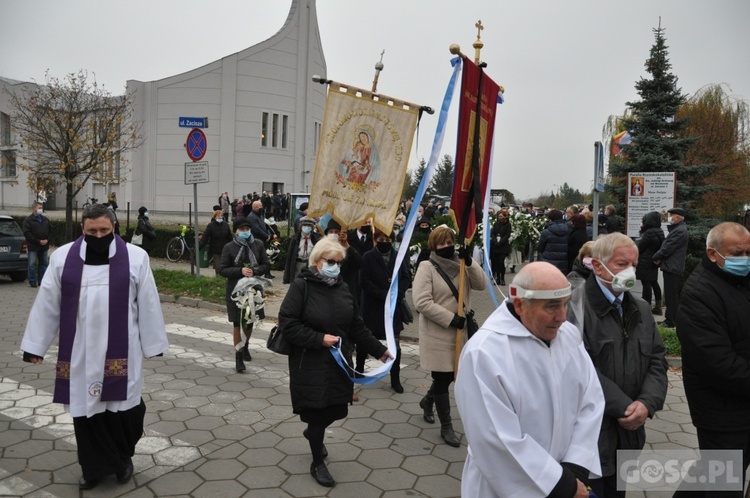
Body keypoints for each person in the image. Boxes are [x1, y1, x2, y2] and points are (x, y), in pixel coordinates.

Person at [20, 204, 168, 490]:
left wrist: (153, 343)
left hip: (123, 353)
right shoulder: (63, 258)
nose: (98, 235)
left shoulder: (136, 258)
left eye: (104, 230)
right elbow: (48, 304)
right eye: (92, 231)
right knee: (87, 412)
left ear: (113, 228)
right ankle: (93, 468)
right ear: (82, 229)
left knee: (126, 411)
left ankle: (122, 458)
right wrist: (35, 346)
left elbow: (148, 303)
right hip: (81, 352)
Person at [455, 262, 604, 498]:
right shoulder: (485, 353)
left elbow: (591, 400)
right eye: (552, 307)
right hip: (508, 487)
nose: (562, 317)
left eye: (566, 304)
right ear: (520, 305)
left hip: (569, 479)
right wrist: (559, 484)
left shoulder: (568, 337)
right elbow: (495, 439)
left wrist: (576, 467)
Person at [279, 238, 393, 487]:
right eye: (330, 262)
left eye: (338, 263)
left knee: (336, 409)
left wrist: (380, 351)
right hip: (309, 362)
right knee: (317, 412)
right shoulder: (301, 286)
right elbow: (288, 324)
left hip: (338, 362)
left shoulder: (343, 288)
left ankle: (313, 434)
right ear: (316, 261)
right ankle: (316, 461)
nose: (335, 267)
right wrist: (319, 339)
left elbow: (355, 326)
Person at [583, 233, 668, 498]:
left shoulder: (641, 309)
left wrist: (647, 403)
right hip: (591, 440)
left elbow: (657, 359)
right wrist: (625, 407)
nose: (630, 270)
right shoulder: (575, 308)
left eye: (633, 263)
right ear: (598, 265)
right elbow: (580, 371)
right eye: (622, 264)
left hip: (629, 435)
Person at [674, 222, 750, 498]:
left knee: (710, 475)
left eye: (749, 252)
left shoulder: (739, 280)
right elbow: (717, 363)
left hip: (741, 405)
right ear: (713, 254)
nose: (745, 260)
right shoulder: (699, 293)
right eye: (738, 253)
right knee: (723, 484)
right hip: (721, 413)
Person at [412, 225, 488, 447]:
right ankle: (446, 426)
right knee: (443, 378)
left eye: (449, 242)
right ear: (434, 246)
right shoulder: (427, 267)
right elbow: (422, 302)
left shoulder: (461, 263)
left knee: (451, 375)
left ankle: (427, 401)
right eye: (442, 243)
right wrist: (450, 318)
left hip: (461, 333)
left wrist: (471, 262)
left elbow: (482, 285)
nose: (447, 246)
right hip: (439, 333)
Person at [358, 228, 411, 393]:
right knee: (365, 341)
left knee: (395, 344)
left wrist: (397, 294)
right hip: (373, 308)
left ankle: (395, 379)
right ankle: (359, 370)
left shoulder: (398, 256)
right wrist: (383, 295)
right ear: (375, 239)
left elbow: (406, 277)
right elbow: (364, 281)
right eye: (381, 238)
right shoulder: (367, 257)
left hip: (393, 309)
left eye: (388, 239)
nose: (385, 242)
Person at [218, 217, 270, 372]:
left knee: (250, 320)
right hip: (236, 291)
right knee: (237, 323)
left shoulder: (258, 244)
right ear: (236, 231)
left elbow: (266, 264)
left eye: (248, 229)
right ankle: (238, 356)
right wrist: (239, 271)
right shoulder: (229, 247)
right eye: (242, 229)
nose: (246, 232)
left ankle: (246, 344)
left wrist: (255, 271)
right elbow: (222, 269)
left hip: (254, 290)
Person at [653, 207, 688, 328]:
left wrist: (656, 256)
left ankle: (670, 321)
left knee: (671, 295)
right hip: (672, 266)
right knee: (671, 295)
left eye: (671, 215)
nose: (669, 217)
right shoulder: (678, 229)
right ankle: (672, 319)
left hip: (673, 267)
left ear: (677, 217)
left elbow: (668, 247)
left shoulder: (679, 231)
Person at [636, 211, 665, 314]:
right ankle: (658, 306)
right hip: (653, 261)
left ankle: (645, 306)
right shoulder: (659, 231)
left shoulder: (649, 232)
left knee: (646, 283)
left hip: (645, 261)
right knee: (653, 282)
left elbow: (641, 247)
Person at [283, 216, 322, 284]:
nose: (307, 227)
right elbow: (290, 256)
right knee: (297, 283)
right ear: (301, 226)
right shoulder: (295, 239)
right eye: (304, 225)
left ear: (312, 227)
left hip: (310, 265)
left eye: (309, 225)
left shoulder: (316, 239)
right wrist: (286, 276)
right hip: (298, 264)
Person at [22, 201, 52, 288]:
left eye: (41, 208)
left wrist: (47, 240)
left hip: (44, 246)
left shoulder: (45, 219)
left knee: (44, 264)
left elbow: (50, 231)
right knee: (32, 264)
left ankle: (42, 280)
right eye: (39, 208)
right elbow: (27, 233)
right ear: (34, 208)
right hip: (33, 246)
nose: (41, 209)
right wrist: (38, 241)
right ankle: (32, 281)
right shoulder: (28, 220)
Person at [199, 210, 233, 274]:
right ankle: (218, 279)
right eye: (218, 215)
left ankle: (223, 279)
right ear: (215, 217)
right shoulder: (211, 226)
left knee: (224, 266)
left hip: (225, 249)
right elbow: (205, 237)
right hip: (215, 250)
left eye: (221, 215)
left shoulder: (226, 225)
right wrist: (198, 247)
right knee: (218, 267)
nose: (220, 217)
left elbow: (230, 237)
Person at [490, 210, 512, 285]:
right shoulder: (496, 224)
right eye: (499, 216)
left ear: (505, 217)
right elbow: (493, 233)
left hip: (503, 247)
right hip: (495, 246)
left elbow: (507, 235)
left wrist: (501, 242)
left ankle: (502, 278)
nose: (500, 218)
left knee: (501, 262)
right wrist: (494, 241)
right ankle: (497, 278)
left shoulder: (508, 225)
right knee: (495, 263)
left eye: (501, 216)